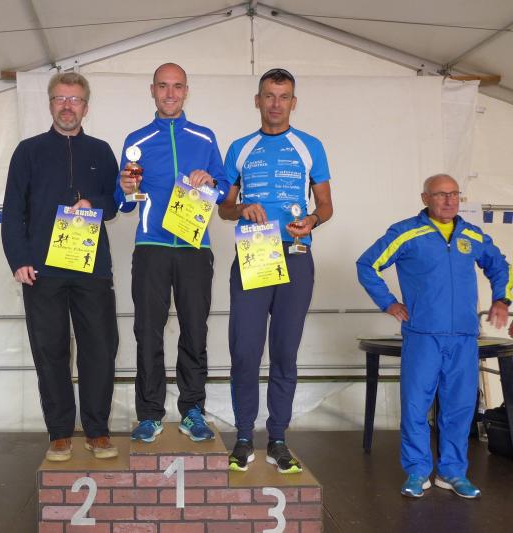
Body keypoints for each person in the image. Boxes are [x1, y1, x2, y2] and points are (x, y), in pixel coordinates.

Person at [357, 173, 511, 499]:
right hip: (423, 335)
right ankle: (417, 471)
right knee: (416, 405)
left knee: (460, 407)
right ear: (425, 198)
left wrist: (502, 299)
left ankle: (452, 472)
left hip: (464, 336)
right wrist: (388, 302)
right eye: (441, 194)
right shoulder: (406, 232)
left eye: (454, 194)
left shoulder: (471, 234)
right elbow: (367, 265)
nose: (449, 200)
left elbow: (500, 264)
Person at [219, 68, 333, 473]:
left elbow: (326, 205)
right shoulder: (240, 148)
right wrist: (241, 209)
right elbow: (223, 208)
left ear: (293, 103)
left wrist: (312, 221)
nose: (275, 104)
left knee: (285, 351)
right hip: (254, 251)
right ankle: (243, 437)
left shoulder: (310, 146)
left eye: (283, 97)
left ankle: (279, 439)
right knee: (245, 351)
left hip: (296, 255)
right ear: (257, 100)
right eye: (269, 95)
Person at [2, 72, 119, 461]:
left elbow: (114, 204)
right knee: (50, 350)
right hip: (42, 271)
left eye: (75, 100)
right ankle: (60, 433)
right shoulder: (28, 151)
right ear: (50, 104)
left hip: (92, 269)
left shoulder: (101, 151)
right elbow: (13, 210)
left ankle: (97, 431)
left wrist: (94, 204)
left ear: (86, 106)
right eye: (60, 99)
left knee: (99, 349)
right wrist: (19, 259)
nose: (68, 106)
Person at [116, 63, 231, 443]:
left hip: (195, 248)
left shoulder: (204, 136)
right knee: (148, 332)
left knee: (195, 330)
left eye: (177, 86)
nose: (170, 94)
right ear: (152, 90)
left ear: (186, 91)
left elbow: (224, 187)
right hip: (151, 247)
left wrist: (211, 180)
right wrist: (125, 187)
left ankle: (192, 410)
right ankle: (149, 414)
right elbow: (124, 202)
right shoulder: (137, 140)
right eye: (163, 86)